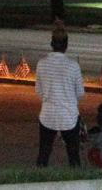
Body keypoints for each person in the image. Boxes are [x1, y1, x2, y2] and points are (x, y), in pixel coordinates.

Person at [34, 21, 85, 167]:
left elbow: (38, 90)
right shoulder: (73, 66)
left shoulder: (42, 64)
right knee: (73, 154)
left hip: (48, 114)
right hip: (68, 115)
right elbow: (80, 93)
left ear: (51, 43)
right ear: (66, 45)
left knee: (44, 153)